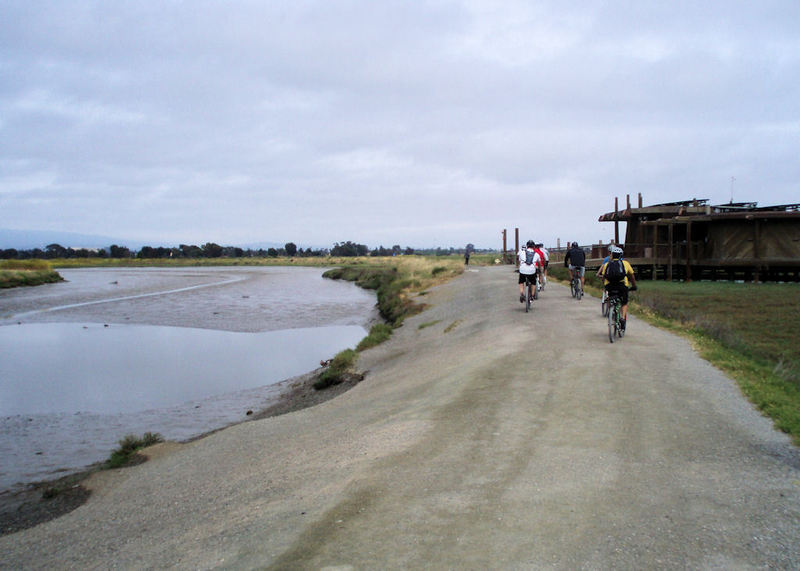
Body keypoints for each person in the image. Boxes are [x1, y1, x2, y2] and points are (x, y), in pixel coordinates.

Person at [599, 245, 637, 331]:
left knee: (610, 298)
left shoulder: (607, 264)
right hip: (622, 286)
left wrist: (605, 285)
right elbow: (632, 276)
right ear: (621, 256)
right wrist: (634, 286)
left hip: (610, 286)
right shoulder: (625, 263)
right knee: (624, 302)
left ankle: (611, 312)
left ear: (612, 255)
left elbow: (604, 277)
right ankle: (622, 318)